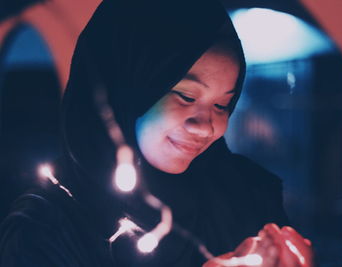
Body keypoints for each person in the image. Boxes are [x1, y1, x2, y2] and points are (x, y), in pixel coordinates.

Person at [0, 0, 313, 266]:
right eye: (186, 97)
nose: (206, 126)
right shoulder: (48, 226)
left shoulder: (247, 196)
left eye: (223, 104)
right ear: (122, 90)